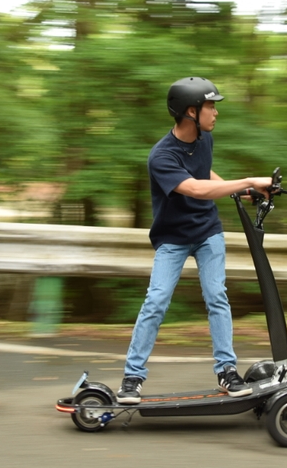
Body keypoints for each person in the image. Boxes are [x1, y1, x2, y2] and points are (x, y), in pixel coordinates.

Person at [117, 77, 273, 404]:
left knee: (217, 296)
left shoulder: (204, 139)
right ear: (191, 112)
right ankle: (132, 377)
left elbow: (204, 173)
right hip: (172, 238)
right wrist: (246, 179)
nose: (216, 112)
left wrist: (242, 190)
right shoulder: (161, 156)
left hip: (207, 231)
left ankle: (227, 370)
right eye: (210, 106)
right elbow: (195, 188)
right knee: (156, 300)